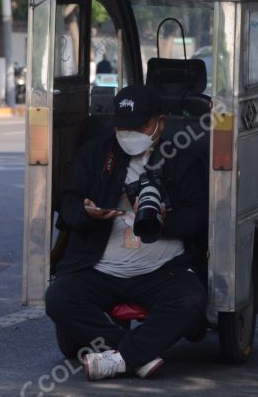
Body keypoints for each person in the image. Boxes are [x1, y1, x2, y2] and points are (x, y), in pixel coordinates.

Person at [45, 84, 208, 381]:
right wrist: (87, 213)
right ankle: (134, 356)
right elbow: (67, 203)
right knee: (58, 297)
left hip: (160, 270)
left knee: (192, 300)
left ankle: (118, 359)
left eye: (139, 126)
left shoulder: (182, 159)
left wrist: (164, 220)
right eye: (122, 126)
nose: (129, 134)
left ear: (160, 122)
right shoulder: (94, 154)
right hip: (99, 267)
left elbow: (199, 217)